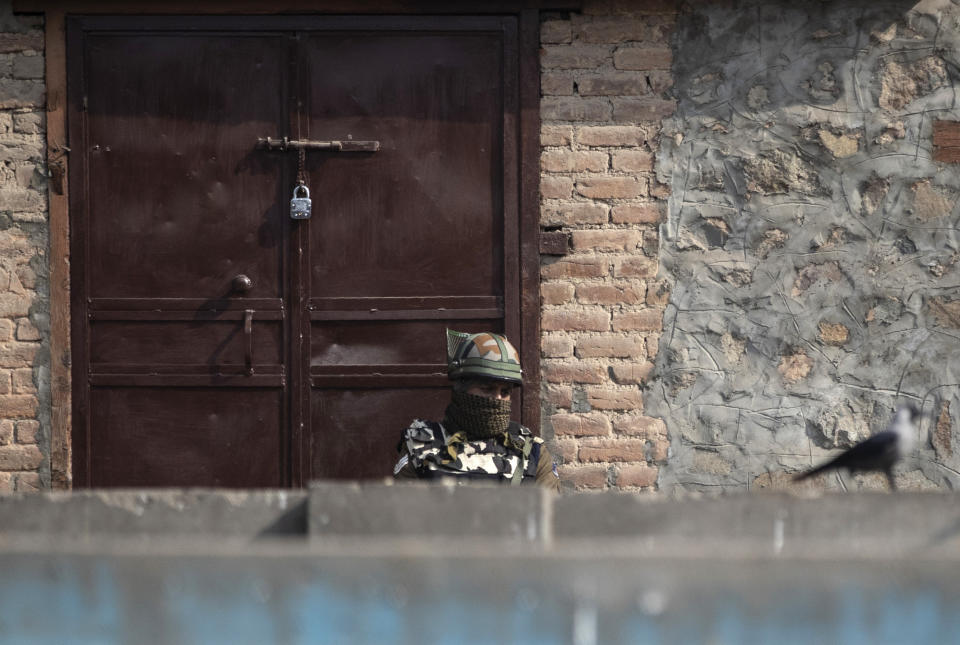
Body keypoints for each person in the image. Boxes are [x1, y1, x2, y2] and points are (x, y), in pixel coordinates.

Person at [392, 329, 561, 491]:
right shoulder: (422, 445)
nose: (497, 399)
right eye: (487, 389)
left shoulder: (530, 452)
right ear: (462, 389)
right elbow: (402, 514)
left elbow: (551, 515)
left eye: (505, 392)